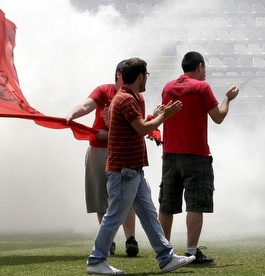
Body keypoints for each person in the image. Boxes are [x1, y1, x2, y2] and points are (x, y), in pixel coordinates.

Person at [87, 57, 195, 275]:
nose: (146, 79)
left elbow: (138, 125)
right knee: (115, 216)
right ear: (139, 76)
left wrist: (155, 115)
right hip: (125, 170)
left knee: (148, 213)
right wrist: (164, 116)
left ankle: (166, 257)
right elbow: (142, 129)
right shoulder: (126, 99)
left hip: (131, 170)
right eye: (146, 75)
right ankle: (96, 260)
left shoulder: (127, 97)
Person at [159, 51, 239, 263]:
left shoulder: (168, 87)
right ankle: (192, 250)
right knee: (195, 203)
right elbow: (218, 117)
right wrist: (227, 99)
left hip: (169, 154)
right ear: (200, 67)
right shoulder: (202, 87)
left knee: (167, 204)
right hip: (195, 154)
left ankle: (164, 251)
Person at [66, 60, 139, 257]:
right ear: (118, 75)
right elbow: (86, 105)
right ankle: (108, 240)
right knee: (100, 196)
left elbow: (136, 127)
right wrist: (73, 114)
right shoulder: (103, 91)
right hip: (98, 150)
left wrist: (108, 135)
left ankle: (130, 239)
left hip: (122, 150)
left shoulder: (135, 96)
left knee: (127, 196)